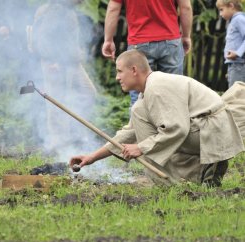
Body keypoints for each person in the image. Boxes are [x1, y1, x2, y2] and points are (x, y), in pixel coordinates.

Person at [70, 50, 245, 186]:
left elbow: (178, 128)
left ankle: (205, 168)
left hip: (213, 133)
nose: (117, 77)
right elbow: (129, 133)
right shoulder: (147, 92)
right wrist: (92, 157)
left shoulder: (157, 87)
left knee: (148, 144)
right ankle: (197, 173)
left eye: (119, 71)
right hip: (204, 130)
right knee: (139, 116)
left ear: (134, 70)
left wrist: (141, 147)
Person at [30, 0, 97, 152]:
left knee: (88, 92)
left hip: (71, 61)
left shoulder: (67, 11)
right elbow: (43, 37)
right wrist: (53, 60)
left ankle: (75, 134)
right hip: (56, 62)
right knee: (56, 101)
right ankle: (58, 142)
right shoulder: (53, 10)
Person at [102, 0, 193, 107]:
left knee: (139, 99)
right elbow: (185, 7)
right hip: (171, 41)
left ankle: (139, 124)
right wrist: (186, 36)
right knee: (173, 95)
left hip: (139, 43)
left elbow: (113, 8)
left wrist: (108, 40)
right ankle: (174, 123)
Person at [216, 0, 245, 88]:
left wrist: (238, 53)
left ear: (231, 6)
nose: (220, 14)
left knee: (235, 94)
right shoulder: (234, 20)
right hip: (235, 64)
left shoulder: (239, 19)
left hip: (239, 64)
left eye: (221, 10)